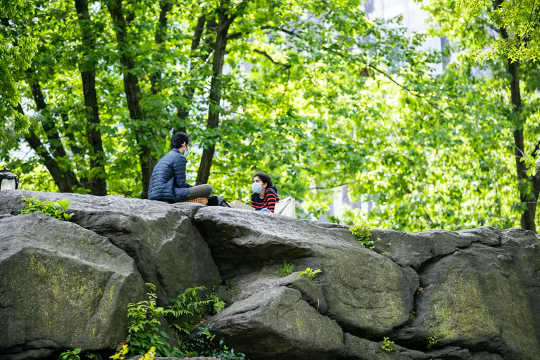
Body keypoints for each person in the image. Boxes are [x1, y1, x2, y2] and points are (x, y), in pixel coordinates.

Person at [148, 132, 212, 203]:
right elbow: (181, 183)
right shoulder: (179, 157)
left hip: (154, 195)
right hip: (167, 195)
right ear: (184, 143)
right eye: (188, 145)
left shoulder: (166, 157)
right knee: (208, 188)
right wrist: (193, 188)